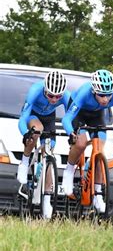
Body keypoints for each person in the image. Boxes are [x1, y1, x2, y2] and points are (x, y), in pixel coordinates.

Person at [62, 69, 113, 213]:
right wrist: (71, 133)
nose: (105, 99)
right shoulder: (85, 93)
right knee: (81, 142)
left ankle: (98, 193)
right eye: (101, 95)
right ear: (94, 91)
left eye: (108, 95)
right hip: (80, 113)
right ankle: (69, 171)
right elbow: (67, 118)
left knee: (99, 150)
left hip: (97, 115)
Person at [17, 70, 70, 219]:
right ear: (45, 89)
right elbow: (23, 119)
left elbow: (71, 117)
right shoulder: (35, 90)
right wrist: (26, 133)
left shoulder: (66, 96)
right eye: (50, 95)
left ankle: (47, 199)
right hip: (33, 115)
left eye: (58, 96)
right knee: (37, 130)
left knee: (49, 153)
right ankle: (25, 161)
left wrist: (73, 132)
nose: (54, 99)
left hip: (49, 118)